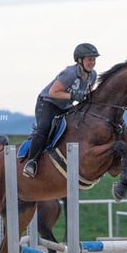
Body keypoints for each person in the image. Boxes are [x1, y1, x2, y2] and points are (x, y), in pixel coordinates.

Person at [22, 42, 99, 178]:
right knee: (44, 128)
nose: (92, 63)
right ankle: (31, 161)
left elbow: (87, 94)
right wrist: (73, 96)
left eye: (94, 59)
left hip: (65, 106)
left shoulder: (93, 75)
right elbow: (53, 92)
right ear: (80, 60)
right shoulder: (69, 73)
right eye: (89, 59)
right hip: (47, 103)